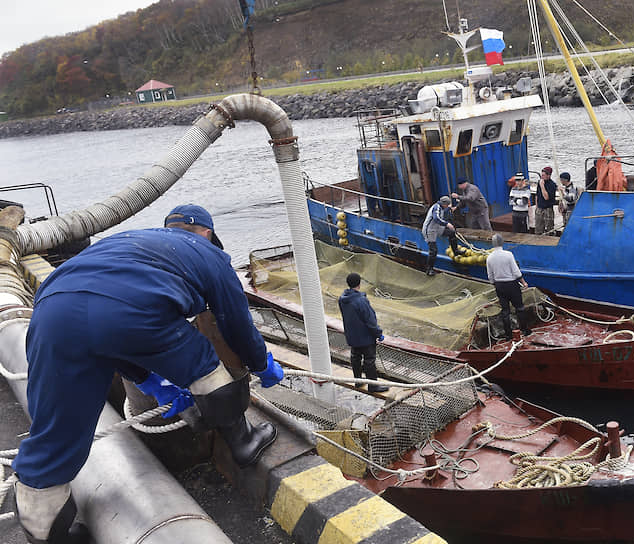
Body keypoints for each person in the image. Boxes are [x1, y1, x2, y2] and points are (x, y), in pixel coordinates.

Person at [12, 204, 284, 544]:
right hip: (127, 310)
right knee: (206, 368)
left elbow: (104, 322)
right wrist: (261, 363)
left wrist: (148, 380)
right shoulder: (211, 255)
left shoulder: (132, 240)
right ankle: (243, 442)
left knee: (56, 430)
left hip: (51, 310)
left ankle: (45, 533)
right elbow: (236, 325)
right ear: (208, 233)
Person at [338, 273, 388, 393]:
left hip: (352, 335)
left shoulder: (342, 299)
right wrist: (378, 334)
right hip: (365, 337)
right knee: (369, 360)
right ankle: (373, 386)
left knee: (355, 357)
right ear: (359, 284)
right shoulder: (361, 301)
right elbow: (370, 320)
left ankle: (358, 381)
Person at [486, 234, 532, 340]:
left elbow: (490, 276)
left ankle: (508, 335)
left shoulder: (489, 258)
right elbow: (516, 272)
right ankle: (524, 330)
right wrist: (524, 282)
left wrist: (495, 284)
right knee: (519, 308)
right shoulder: (508, 255)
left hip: (499, 285)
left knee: (505, 311)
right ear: (502, 242)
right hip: (511, 284)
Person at [421, 195, 460, 275]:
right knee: (433, 250)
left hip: (437, 228)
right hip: (429, 230)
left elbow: (443, 212)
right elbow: (436, 218)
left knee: (451, 233)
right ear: (444, 204)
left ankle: (456, 251)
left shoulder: (441, 207)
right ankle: (429, 269)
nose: (447, 206)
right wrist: (447, 224)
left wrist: (449, 209)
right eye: (447, 205)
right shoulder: (436, 207)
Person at [534, 166, 557, 235]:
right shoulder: (540, 182)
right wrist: (536, 207)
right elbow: (537, 195)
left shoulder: (552, 185)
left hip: (548, 209)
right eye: (542, 175)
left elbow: (546, 197)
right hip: (539, 208)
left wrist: (542, 186)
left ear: (548, 175)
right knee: (538, 228)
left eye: (543, 175)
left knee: (549, 229)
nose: (542, 177)